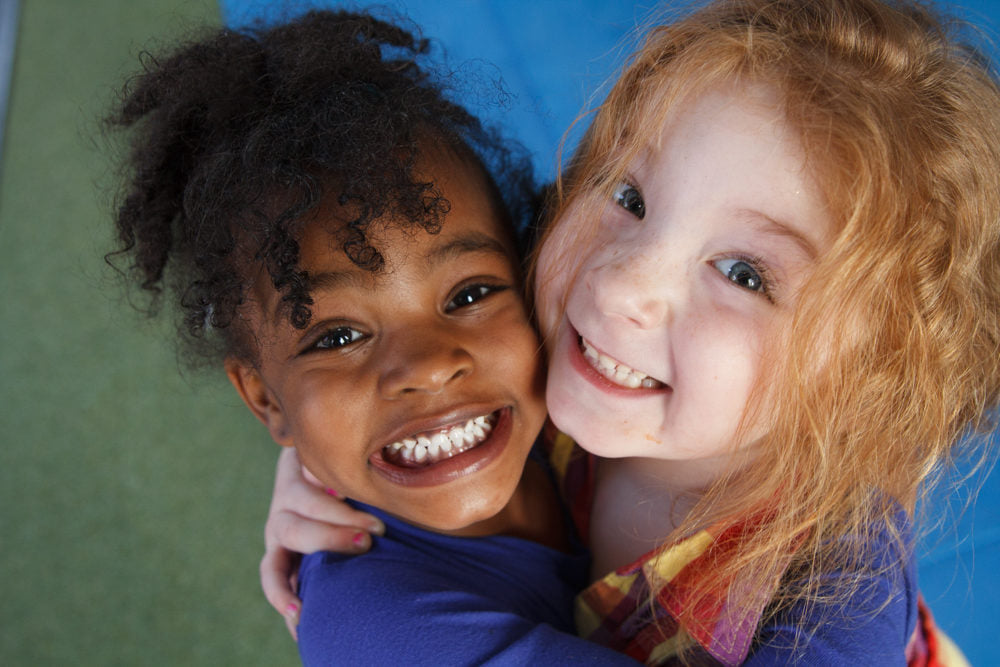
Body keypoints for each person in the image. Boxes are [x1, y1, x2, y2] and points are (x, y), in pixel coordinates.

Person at [261, 0, 1000, 664]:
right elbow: (401, 315)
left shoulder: (841, 588)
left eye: (744, 274)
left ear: (866, 382)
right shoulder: (543, 299)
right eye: (629, 195)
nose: (619, 284)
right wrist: (317, 455)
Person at [105, 9, 639, 665]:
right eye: (337, 336)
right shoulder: (378, 632)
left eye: (470, 295)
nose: (429, 366)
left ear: (528, 278)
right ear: (266, 399)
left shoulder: (582, 383)